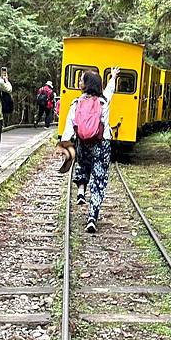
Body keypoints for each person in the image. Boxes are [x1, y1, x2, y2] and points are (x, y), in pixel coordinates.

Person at [59, 66, 119, 233]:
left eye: (81, 80)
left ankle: (81, 189)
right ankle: (92, 216)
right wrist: (113, 77)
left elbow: (69, 128)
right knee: (99, 180)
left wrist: (64, 146)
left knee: (83, 166)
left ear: (86, 85)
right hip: (102, 143)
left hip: (83, 144)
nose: (79, 82)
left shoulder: (76, 103)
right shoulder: (103, 101)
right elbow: (110, 90)